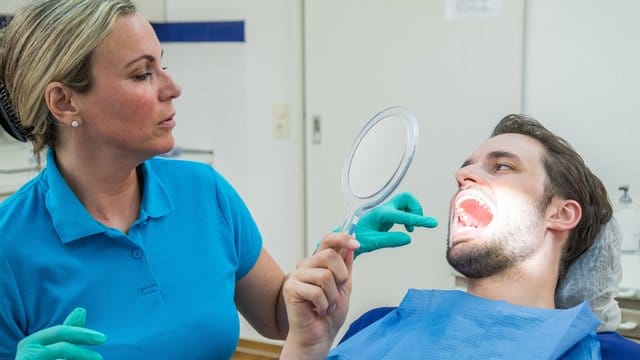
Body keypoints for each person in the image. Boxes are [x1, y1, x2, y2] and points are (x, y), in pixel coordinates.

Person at [0, 1, 437, 359]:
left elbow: (274, 315)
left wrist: (330, 261)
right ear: (64, 102)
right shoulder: (9, 245)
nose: (172, 87)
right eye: (141, 73)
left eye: (163, 65)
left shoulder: (204, 193)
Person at [280, 114, 640, 359]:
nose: (463, 174)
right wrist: (306, 344)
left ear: (561, 214)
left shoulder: (606, 354)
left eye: (501, 166)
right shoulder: (375, 326)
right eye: (466, 167)